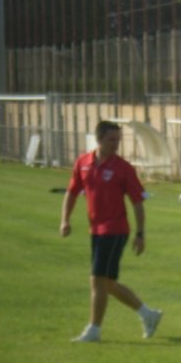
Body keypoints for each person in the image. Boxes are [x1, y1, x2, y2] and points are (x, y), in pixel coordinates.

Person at [60, 120, 163, 343]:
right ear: (98, 140)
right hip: (95, 229)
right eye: (111, 140)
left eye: (118, 140)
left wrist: (140, 234)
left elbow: (137, 202)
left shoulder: (123, 168)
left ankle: (94, 330)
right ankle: (148, 314)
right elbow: (71, 192)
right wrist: (65, 220)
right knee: (107, 284)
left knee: (97, 280)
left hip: (115, 230)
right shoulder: (83, 162)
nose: (116, 144)